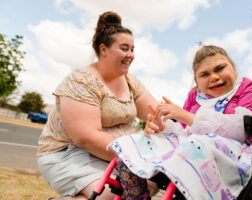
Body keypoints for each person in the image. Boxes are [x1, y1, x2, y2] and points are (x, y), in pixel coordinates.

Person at [108, 45, 252, 200]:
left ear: (233, 67)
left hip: (234, 151)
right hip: (192, 145)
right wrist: (162, 127)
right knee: (130, 143)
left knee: (194, 145)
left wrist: (188, 117)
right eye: (204, 74)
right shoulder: (195, 96)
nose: (214, 77)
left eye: (220, 68)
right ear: (197, 80)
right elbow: (183, 131)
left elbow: (241, 129)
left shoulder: (248, 87)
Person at [37, 11, 160, 200]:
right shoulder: (82, 80)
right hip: (67, 154)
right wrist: (134, 157)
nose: (130, 55)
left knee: (150, 184)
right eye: (124, 48)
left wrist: (165, 120)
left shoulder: (130, 82)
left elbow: (156, 111)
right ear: (103, 49)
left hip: (114, 156)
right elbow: (86, 138)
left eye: (132, 49)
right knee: (113, 194)